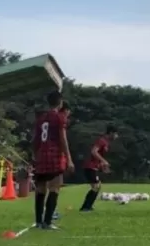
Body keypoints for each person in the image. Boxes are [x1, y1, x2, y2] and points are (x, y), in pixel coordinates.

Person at [32, 91, 75, 229]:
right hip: (54, 155)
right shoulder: (59, 117)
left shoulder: (41, 118)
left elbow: (35, 139)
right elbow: (63, 139)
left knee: (40, 189)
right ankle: (48, 222)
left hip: (41, 156)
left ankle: (38, 221)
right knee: (55, 187)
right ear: (60, 102)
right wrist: (69, 159)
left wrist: (35, 154)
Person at [79, 124, 118, 212]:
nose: (117, 136)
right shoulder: (102, 141)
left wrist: (102, 165)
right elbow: (94, 151)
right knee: (95, 186)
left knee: (97, 186)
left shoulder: (106, 142)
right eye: (116, 134)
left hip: (94, 167)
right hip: (90, 166)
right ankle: (85, 207)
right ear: (111, 133)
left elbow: (98, 155)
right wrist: (104, 161)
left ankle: (88, 206)